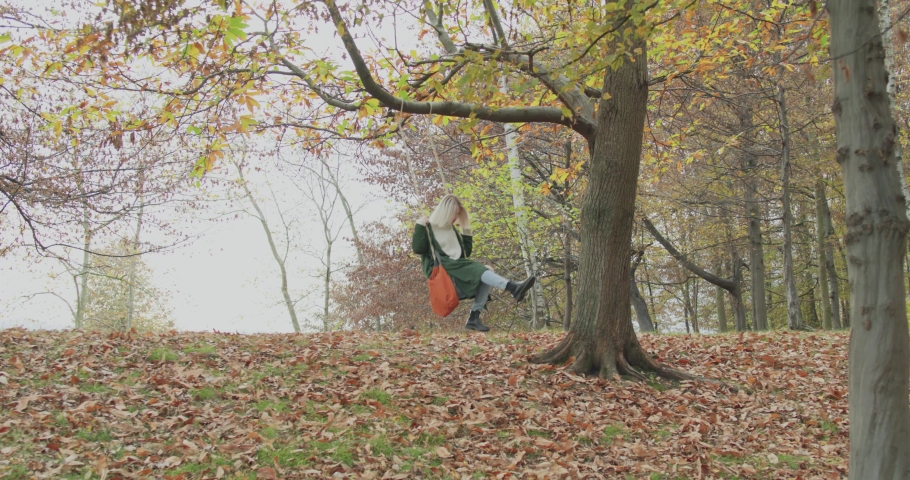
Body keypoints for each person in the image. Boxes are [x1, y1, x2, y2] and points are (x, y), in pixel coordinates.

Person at [412, 194, 536, 332]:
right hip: (441, 270)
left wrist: (466, 228)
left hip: (457, 268)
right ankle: (512, 287)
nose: (455, 218)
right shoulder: (429, 228)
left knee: (487, 270)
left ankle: (474, 317)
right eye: (455, 214)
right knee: (479, 269)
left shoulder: (452, 229)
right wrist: (419, 225)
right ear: (446, 211)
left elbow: (466, 252)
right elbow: (418, 249)